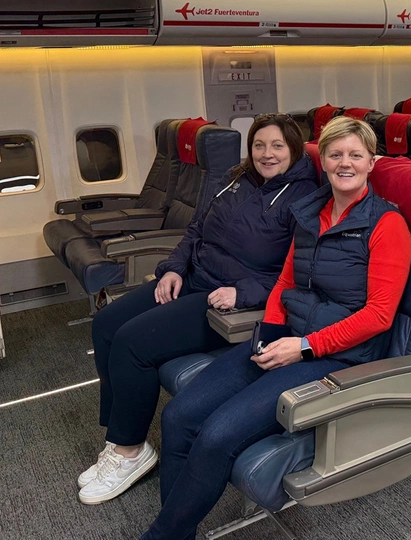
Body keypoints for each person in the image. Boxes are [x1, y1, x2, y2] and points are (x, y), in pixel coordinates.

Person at [140, 117, 411, 540]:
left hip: (335, 356)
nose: (345, 163)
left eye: (355, 155)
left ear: (371, 162)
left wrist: (303, 346)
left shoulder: (387, 225)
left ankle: (165, 534)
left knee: (215, 436)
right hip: (283, 339)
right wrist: (269, 331)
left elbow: (379, 315)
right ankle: (178, 530)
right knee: (178, 416)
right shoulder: (309, 214)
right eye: (335, 155)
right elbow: (284, 282)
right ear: (322, 162)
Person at [79, 114, 318, 505]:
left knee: (133, 344)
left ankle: (129, 449)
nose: (267, 154)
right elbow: (195, 230)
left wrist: (242, 293)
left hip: (226, 301)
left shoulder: (304, 199)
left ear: (294, 148)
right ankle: (117, 438)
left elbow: (297, 271)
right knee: (106, 324)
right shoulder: (236, 179)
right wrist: (173, 268)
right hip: (193, 276)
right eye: (259, 145)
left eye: (277, 146)